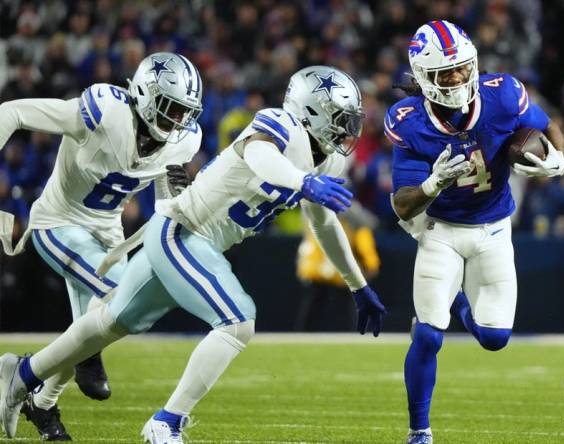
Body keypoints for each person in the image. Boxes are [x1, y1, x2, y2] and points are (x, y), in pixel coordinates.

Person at [0, 65, 386, 443]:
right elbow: (259, 155)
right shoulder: (281, 124)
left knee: (110, 321)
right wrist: (303, 181)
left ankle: (23, 374)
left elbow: (323, 224)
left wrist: (357, 285)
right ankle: (167, 422)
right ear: (312, 111)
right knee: (237, 321)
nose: (347, 130)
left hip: (187, 237)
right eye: (339, 118)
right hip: (182, 231)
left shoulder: (328, 158)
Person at [0, 52, 203, 441]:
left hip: (108, 236)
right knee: (123, 295)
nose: (177, 121)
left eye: (184, 112)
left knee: (102, 324)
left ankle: (41, 403)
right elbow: (12, 111)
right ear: (144, 94)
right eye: (170, 109)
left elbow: (166, 191)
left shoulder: (182, 141)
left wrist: (180, 209)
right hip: (58, 222)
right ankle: (21, 373)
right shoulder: (103, 112)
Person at [386, 20, 564, 444]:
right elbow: (402, 203)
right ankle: (419, 431)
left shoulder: (502, 93)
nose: (456, 78)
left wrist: (559, 156)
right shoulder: (408, 120)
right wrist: (433, 183)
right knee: (429, 334)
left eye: (461, 68)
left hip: (493, 228)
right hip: (440, 231)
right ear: (423, 76)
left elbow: (547, 123)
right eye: (444, 73)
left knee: (494, 338)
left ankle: (463, 302)